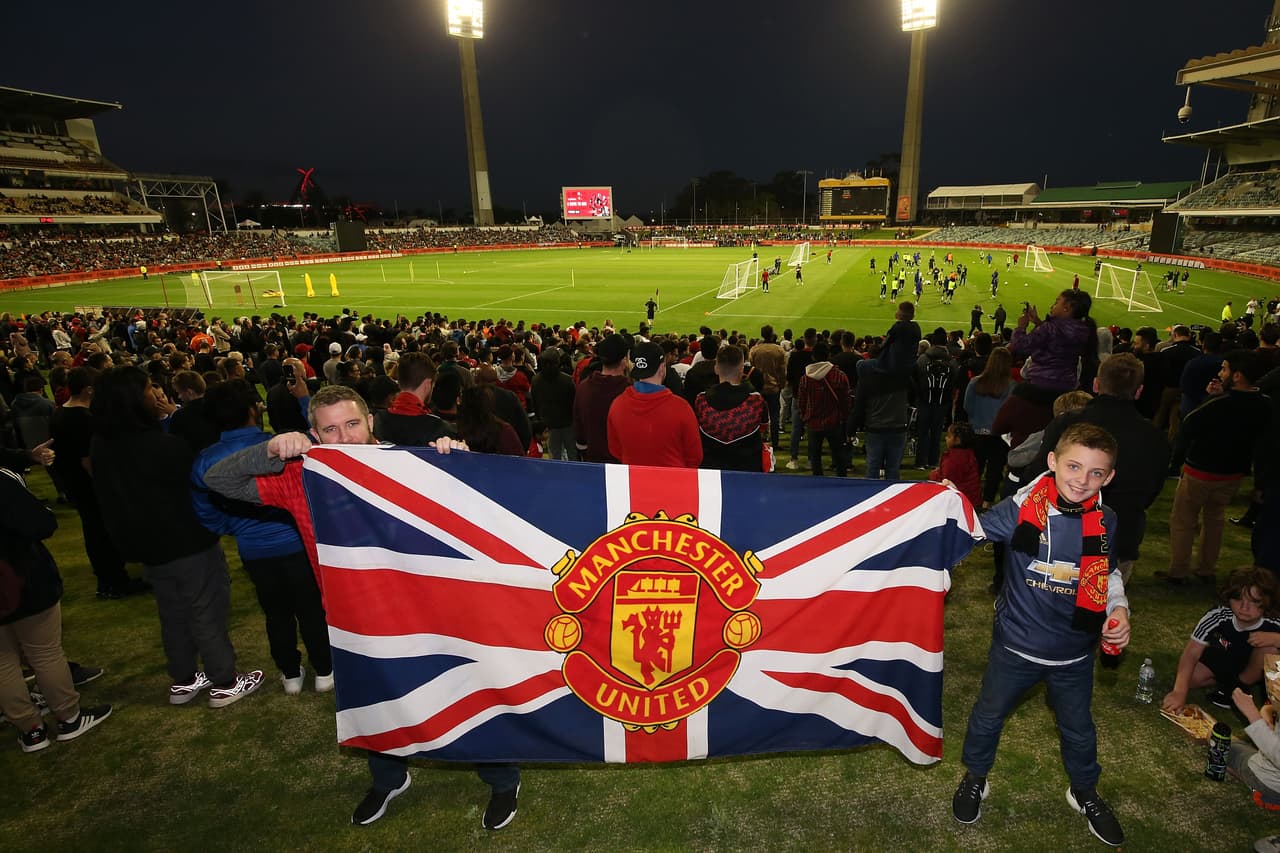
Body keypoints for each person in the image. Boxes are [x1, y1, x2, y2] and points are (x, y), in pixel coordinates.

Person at [202, 384, 521, 829]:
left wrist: (460, 460)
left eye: (352, 424)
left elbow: (495, 507)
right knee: (375, 704)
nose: (345, 437)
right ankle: (389, 777)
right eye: (330, 430)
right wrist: (271, 450)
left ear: (371, 422)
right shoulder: (301, 475)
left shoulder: (412, 463)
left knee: (467, 695)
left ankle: (501, 777)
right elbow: (217, 479)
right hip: (352, 620)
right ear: (314, 435)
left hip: (432, 615)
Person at [951, 423, 1130, 847]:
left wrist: (1119, 607)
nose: (1082, 480)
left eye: (1096, 473)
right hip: (1016, 646)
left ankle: (1084, 790)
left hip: (1073, 653)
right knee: (988, 717)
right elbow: (969, 529)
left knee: (1079, 730)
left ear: (1110, 477)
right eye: (1073, 466)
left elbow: (1109, 572)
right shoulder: (1020, 510)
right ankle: (975, 777)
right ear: (1052, 462)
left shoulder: (1106, 519)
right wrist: (944, 500)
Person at [90, 366, 263, 708]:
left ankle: (183, 678)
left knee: (172, 610)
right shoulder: (160, 446)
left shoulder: (103, 444)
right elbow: (197, 483)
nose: (155, 394)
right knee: (205, 607)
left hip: (145, 543)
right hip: (185, 540)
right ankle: (224, 679)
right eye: (149, 388)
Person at [190, 379, 333, 696]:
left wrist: (234, 526)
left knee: (276, 611)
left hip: (256, 549)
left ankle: (290, 671)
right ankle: (323, 668)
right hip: (295, 544)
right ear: (253, 410)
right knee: (308, 608)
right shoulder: (278, 447)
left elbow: (205, 509)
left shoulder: (208, 458)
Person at [0, 463, 112, 752]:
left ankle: (31, 730)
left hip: (14, 581)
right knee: (44, 650)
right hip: (22, 579)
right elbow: (40, 524)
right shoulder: (3, 482)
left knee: (4, 661)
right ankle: (68, 717)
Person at [1160, 350, 1272, 585]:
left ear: (1238, 375)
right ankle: (1206, 569)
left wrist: (1210, 398)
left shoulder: (1221, 402)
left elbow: (1189, 425)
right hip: (1233, 473)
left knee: (1183, 521)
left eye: (1225, 369)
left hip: (1200, 470)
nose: (1220, 374)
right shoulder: (1265, 404)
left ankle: (1178, 570)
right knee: (1215, 520)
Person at [1162, 568, 1280, 711]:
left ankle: (1240, 686)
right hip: (1224, 655)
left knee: (1270, 649)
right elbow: (1191, 652)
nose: (1244, 607)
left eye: (1254, 602)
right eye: (1238, 599)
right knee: (1190, 678)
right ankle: (1227, 681)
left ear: (1267, 602)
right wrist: (1179, 692)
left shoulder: (1274, 621)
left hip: (1255, 663)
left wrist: (1275, 638)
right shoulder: (1219, 615)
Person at [607, 341, 702, 468]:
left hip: (635, 482)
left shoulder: (617, 405)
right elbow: (695, 457)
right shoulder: (681, 408)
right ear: (662, 368)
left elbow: (616, 450)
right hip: (673, 482)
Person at [694, 344, 768, 472]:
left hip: (711, 472)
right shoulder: (756, 401)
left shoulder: (700, 401)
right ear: (742, 369)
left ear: (716, 369)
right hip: (748, 470)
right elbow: (763, 428)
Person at [573, 334, 631, 463]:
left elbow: (579, 431)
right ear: (624, 360)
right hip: (621, 464)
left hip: (594, 461)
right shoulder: (629, 391)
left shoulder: (584, 387)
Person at [798, 341, 851, 478]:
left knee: (815, 456)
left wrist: (805, 417)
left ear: (813, 357)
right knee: (838, 454)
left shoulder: (805, 378)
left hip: (814, 421)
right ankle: (841, 480)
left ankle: (818, 480)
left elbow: (801, 401)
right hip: (833, 421)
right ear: (828, 355)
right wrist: (843, 416)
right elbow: (846, 400)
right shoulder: (839, 376)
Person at [930, 422, 981, 508]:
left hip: (960, 500)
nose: (946, 438)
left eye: (949, 436)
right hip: (970, 497)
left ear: (957, 440)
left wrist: (934, 475)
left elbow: (948, 481)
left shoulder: (954, 459)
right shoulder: (968, 453)